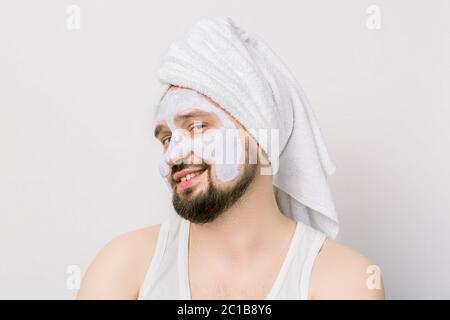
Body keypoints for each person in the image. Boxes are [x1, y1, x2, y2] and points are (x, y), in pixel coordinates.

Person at [77, 17, 385, 300]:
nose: (173, 155)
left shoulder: (344, 281)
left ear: (260, 133)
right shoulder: (123, 267)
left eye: (197, 126)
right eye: (167, 139)